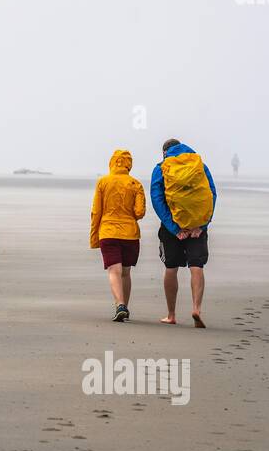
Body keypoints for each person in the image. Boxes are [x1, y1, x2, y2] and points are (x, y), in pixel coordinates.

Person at [151, 138, 216, 328]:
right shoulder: (199, 165)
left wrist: (174, 228)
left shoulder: (160, 168)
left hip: (173, 228)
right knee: (196, 265)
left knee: (171, 267)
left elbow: (157, 200)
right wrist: (202, 225)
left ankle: (171, 314)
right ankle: (196, 308)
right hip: (197, 226)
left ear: (164, 152)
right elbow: (211, 194)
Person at [90, 149, 146, 322]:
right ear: (129, 164)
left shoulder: (103, 182)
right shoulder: (135, 184)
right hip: (129, 234)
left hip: (108, 232)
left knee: (114, 270)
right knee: (125, 272)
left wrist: (94, 238)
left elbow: (96, 211)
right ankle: (124, 307)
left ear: (112, 162)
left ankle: (120, 305)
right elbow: (140, 212)